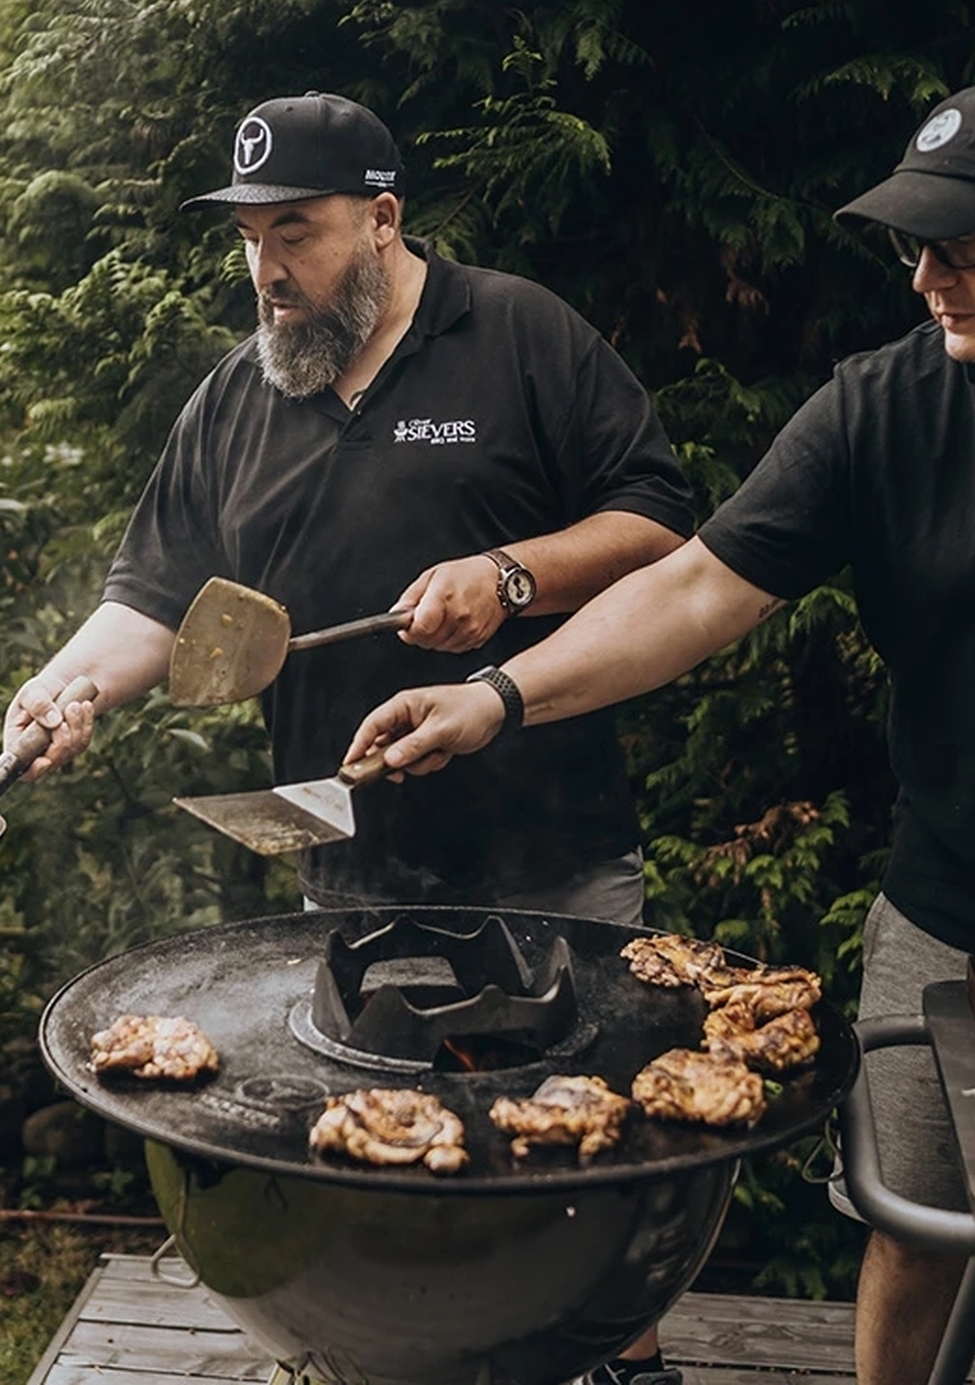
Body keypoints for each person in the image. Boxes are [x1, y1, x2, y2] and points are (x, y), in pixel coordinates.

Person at [8, 89, 695, 1385]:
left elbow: (665, 529)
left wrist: (512, 573)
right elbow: (152, 598)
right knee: (375, 1158)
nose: (268, 269)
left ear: (383, 220)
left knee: (580, 1157)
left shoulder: (520, 337)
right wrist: (70, 687)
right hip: (347, 876)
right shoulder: (234, 401)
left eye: (299, 232)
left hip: (547, 851)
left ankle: (623, 1364)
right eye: (251, 237)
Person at [345, 84, 975, 1385]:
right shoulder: (883, 413)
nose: (925, 277)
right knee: (917, 1230)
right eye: (915, 243)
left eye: (961, 245)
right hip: (947, 912)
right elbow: (693, 588)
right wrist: (496, 697)